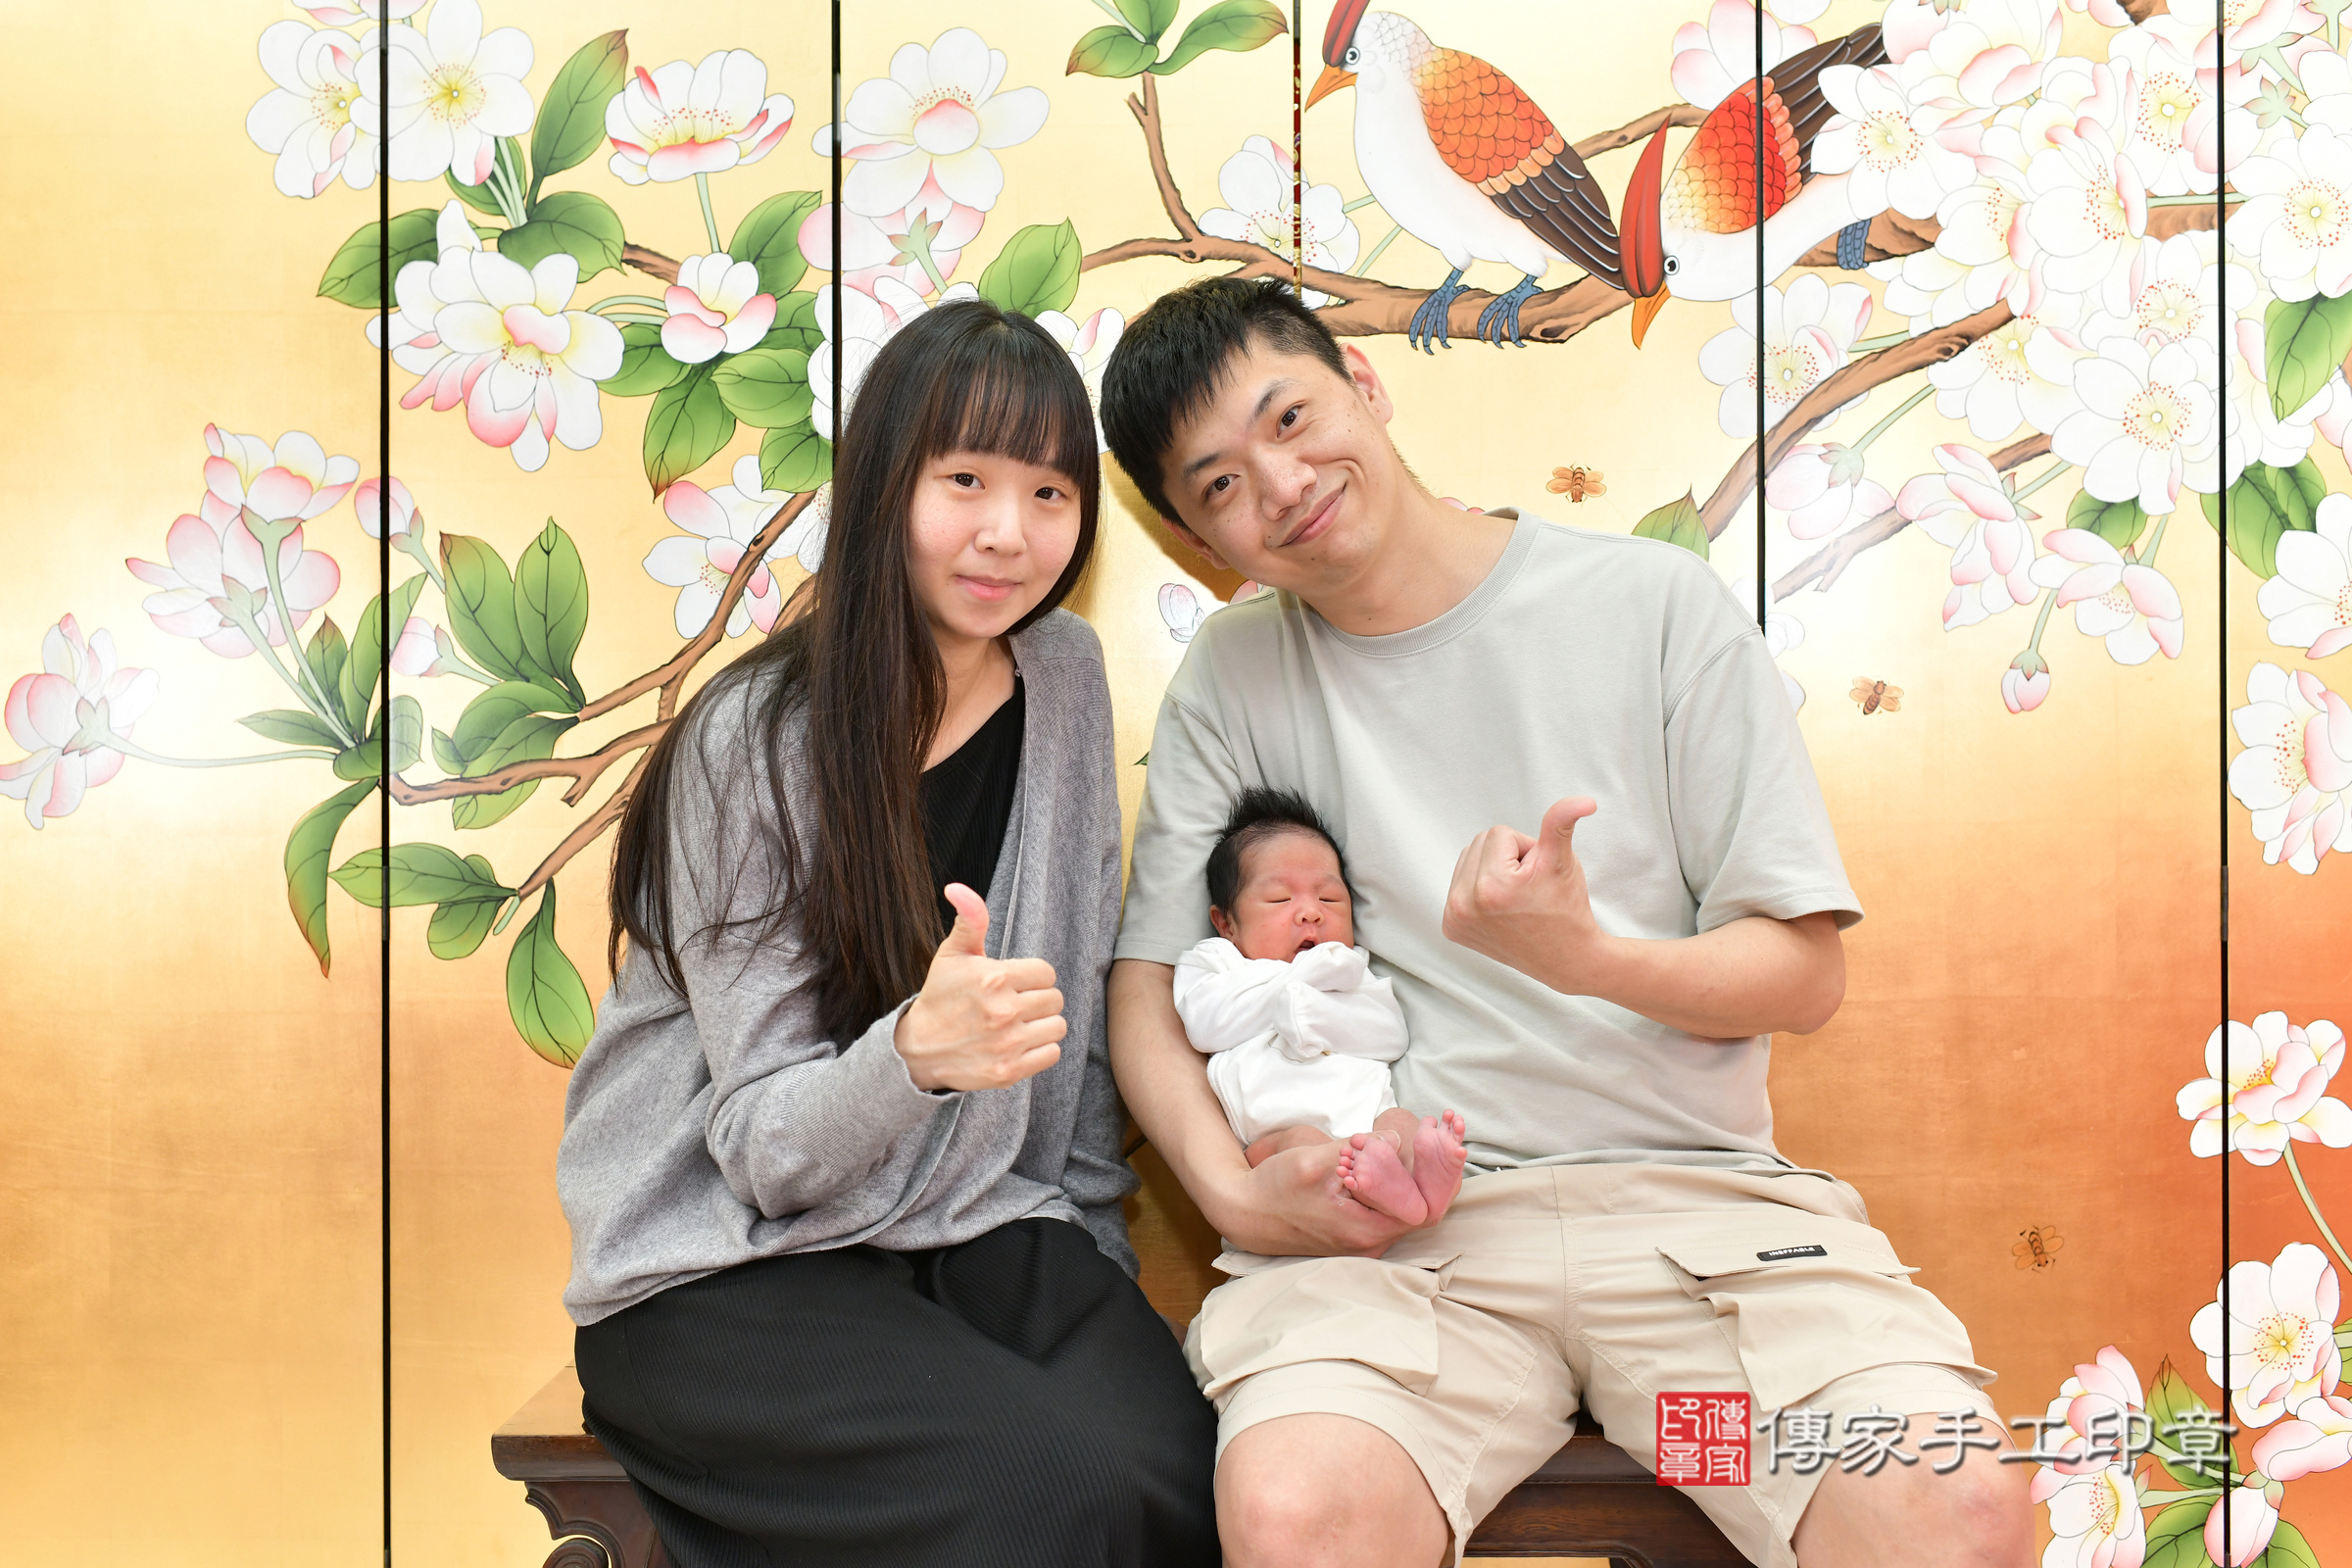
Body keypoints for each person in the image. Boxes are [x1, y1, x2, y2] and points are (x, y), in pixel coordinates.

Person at [1098, 277, 2032, 1568]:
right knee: (1302, 1516)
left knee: (1946, 1507)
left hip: (1698, 1260)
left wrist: (1585, 958)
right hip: (1414, 1268)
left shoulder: (1656, 604)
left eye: (1291, 418)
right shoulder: (1235, 674)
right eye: (1220, 484)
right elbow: (1148, 988)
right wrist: (1238, 1198)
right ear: (1200, 540)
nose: (1282, 483)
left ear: (1365, 386)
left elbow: (1803, 974)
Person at [556, 298, 1218, 1568]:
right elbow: (762, 1152)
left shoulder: (1063, 675)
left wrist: (1088, 1266)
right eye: (964, 480)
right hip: (723, 1262)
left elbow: (1070, 1017)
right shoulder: (753, 736)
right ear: (883, 486)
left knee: (1187, 1476)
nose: (1008, 531)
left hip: (976, 1219)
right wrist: (914, 1054)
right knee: (1048, 1497)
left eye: (1048, 493)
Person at [1172, 784, 1468, 1226]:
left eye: (1329, 899)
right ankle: (1385, 1190)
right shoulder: (1216, 961)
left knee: (1401, 1123)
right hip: (1274, 1129)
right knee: (1302, 1144)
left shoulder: (1348, 966)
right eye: (1280, 899)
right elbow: (1205, 1025)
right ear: (1226, 923)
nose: (1311, 912)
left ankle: (1424, 1187)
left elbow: (1389, 1036)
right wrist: (1297, 986)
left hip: (1366, 1117)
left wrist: (1315, 1006)